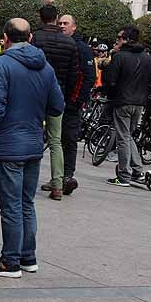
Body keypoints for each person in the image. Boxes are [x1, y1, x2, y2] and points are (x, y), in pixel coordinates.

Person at [0, 18, 64, 278]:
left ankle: (10, 261)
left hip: (8, 145)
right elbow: (57, 106)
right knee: (26, 203)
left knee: (11, 206)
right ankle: (28, 256)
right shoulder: (45, 67)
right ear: (30, 38)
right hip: (33, 143)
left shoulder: (2, 64)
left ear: (5, 37)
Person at [31, 5, 79, 201]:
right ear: (56, 18)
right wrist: (65, 95)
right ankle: (58, 185)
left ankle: (28, 182)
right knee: (55, 140)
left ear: (41, 18)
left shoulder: (35, 39)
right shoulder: (69, 42)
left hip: (35, 94)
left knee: (32, 135)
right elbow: (74, 74)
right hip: (57, 93)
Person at [103, 25, 151, 187]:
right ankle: (137, 171)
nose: (116, 41)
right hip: (139, 102)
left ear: (126, 39)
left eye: (119, 38)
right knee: (128, 135)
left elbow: (111, 81)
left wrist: (109, 95)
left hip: (123, 101)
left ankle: (124, 175)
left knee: (123, 137)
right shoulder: (148, 58)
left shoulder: (120, 57)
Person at [54, 13, 96, 193]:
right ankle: (57, 178)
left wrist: (77, 101)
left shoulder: (82, 48)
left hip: (71, 103)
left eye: (66, 23)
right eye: (60, 23)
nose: (62, 26)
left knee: (69, 140)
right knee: (56, 141)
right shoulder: (59, 44)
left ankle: (67, 176)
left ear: (74, 27)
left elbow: (89, 77)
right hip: (56, 102)